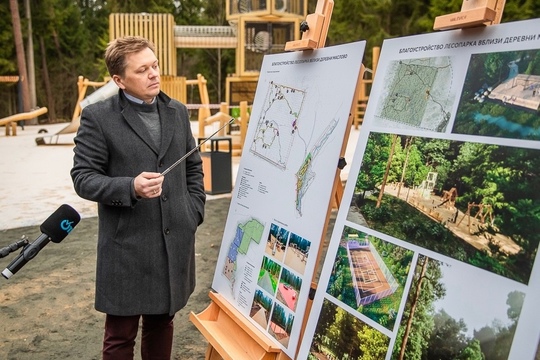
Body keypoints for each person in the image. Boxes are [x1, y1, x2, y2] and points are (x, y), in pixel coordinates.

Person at [71, 36, 206, 359]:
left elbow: (193, 168)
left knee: (162, 323)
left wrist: (193, 211)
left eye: (155, 65)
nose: (154, 74)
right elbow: (83, 179)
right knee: (120, 336)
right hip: (126, 247)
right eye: (142, 70)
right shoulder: (97, 117)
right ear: (119, 80)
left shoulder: (177, 112)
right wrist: (130, 187)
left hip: (174, 240)